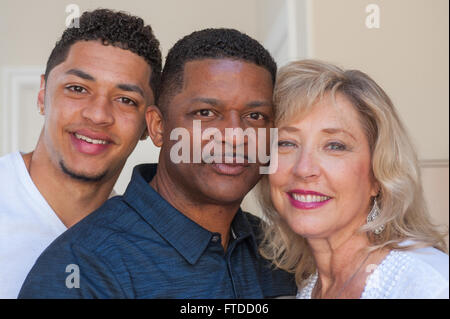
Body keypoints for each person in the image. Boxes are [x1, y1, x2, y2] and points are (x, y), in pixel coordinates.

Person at [18, 28, 297, 298]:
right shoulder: (82, 266)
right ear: (158, 126)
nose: (235, 137)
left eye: (256, 116)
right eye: (206, 113)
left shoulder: (280, 250)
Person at [0, 9, 162, 298]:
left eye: (126, 100)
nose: (98, 115)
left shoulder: (142, 247)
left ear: (148, 125)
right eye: (77, 88)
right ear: (42, 95)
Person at [257, 59, 449, 299]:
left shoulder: (430, 285)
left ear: (378, 175)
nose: (304, 169)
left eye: (335, 146)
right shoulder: (307, 289)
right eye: (286, 143)